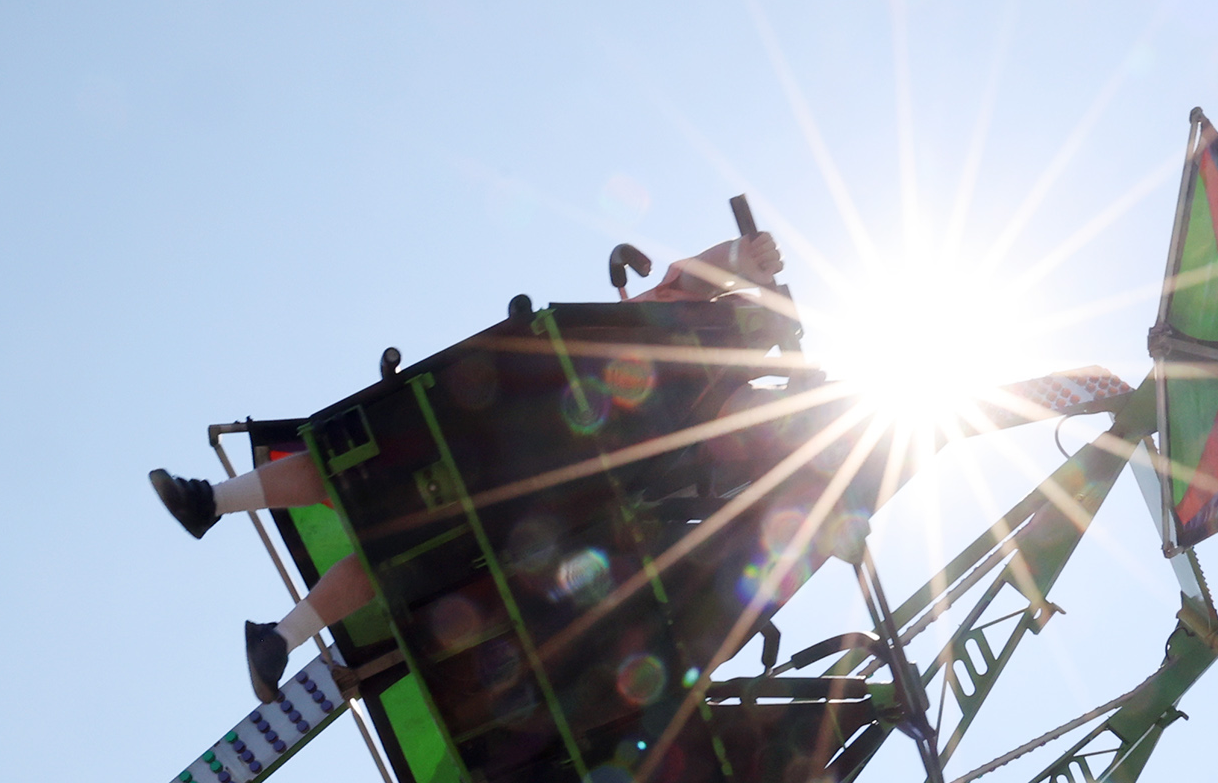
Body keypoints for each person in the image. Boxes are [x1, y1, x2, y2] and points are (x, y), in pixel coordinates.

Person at [146, 229, 786, 705]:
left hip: (528, 458)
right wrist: (747, 257)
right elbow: (698, 273)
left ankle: (261, 602)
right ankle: (241, 563)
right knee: (369, 497)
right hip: (524, 444)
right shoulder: (690, 325)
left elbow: (747, 416)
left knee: (379, 514)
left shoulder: (713, 377)